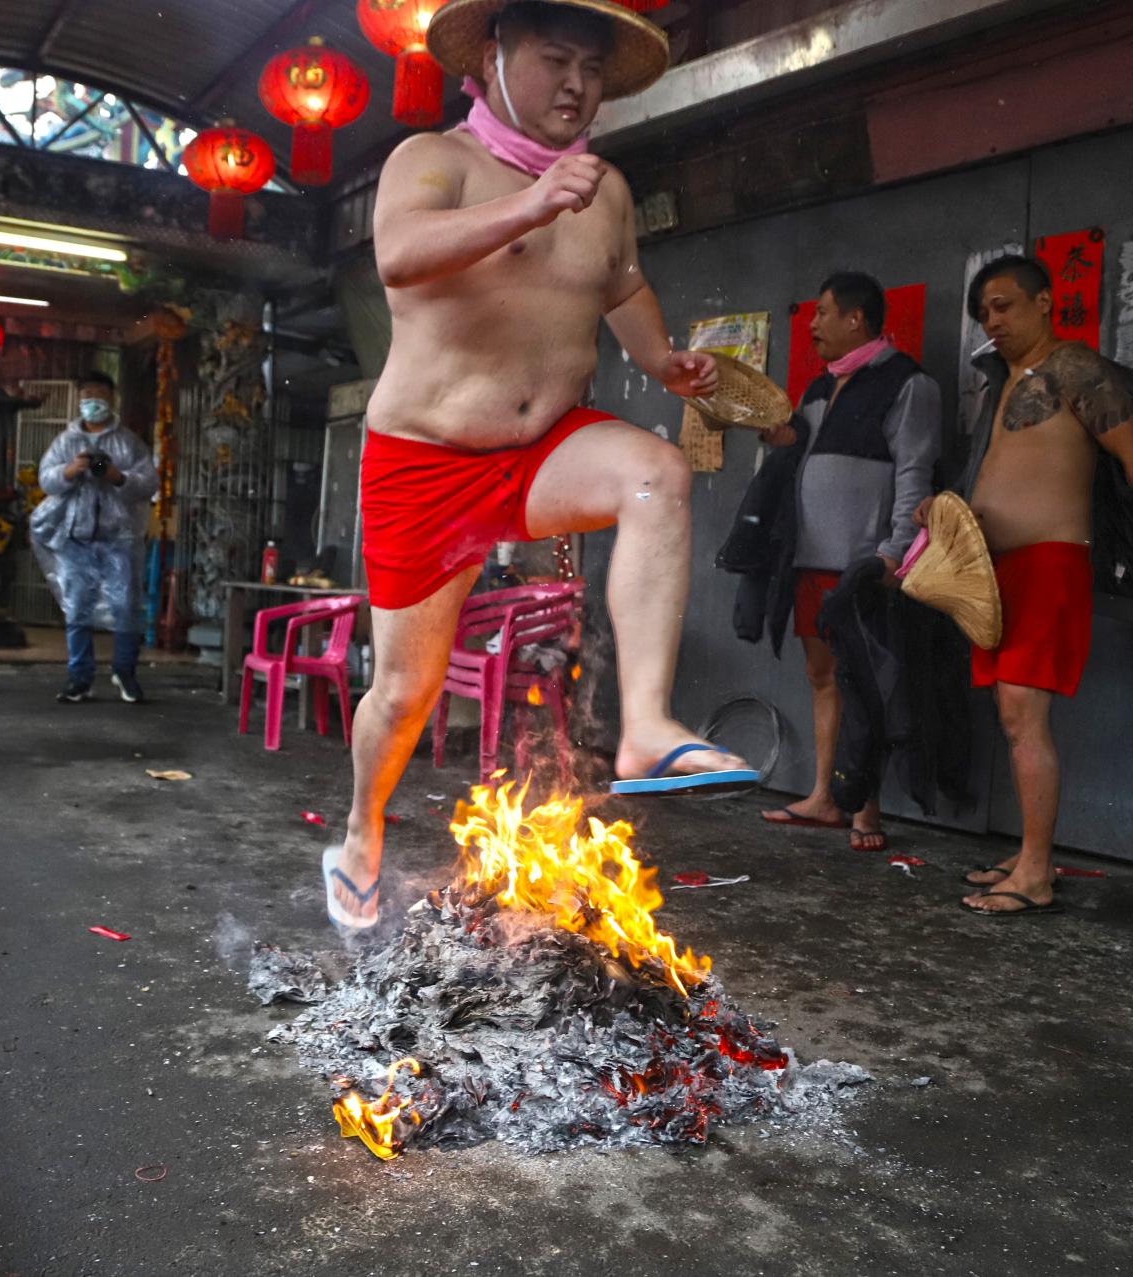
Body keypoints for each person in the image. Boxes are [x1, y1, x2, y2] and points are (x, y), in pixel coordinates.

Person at [324, 0, 752, 931]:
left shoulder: (608, 188)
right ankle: (361, 829)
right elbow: (397, 256)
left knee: (658, 473)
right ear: (493, 56)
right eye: (555, 60)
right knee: (404, 694)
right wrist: (531, 199)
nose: (576, 86)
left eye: (591, 71)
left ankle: (643, 729)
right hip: (425, 461)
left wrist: (660, 358)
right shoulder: (432, 161)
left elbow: (623, 281)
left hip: (542, 448)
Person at [942, 255, 1133, 916]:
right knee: (1012, 713)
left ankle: (1034, 872)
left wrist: (1123, 557)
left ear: (1044, 301)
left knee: (1021, 713)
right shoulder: (1007, 380)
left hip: (1051, 560)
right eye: (984, 313)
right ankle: (1030, 853)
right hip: (996, 571)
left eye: (1004, 306)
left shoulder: (1077, 367)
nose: (992, 321)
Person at [756, 272, 941, 851]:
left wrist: (892, 554)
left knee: (867, 684)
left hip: (862, 563)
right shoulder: (818, 388)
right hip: (809, 557)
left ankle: (866, 809)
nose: (811, 325)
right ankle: (825, 796)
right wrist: (782, 441)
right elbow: (805, 457)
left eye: (823, 313)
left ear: (856, 319)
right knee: (822, 677)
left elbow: (915, 471)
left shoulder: (907, 383)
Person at [32, 371, 156, 704]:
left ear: (112, 398)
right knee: (77, 608)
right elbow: (47, 480)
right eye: (86, 396)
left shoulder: (129, 442)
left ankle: (125, 672)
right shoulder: (66, 441)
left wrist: (117, 477)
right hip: (76, 538)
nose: (92, 403)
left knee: (125, 606)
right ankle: (79, 678)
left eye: (99, 395)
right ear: (78, 400)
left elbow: (148, 484)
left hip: (120, 538)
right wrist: (70, 471)